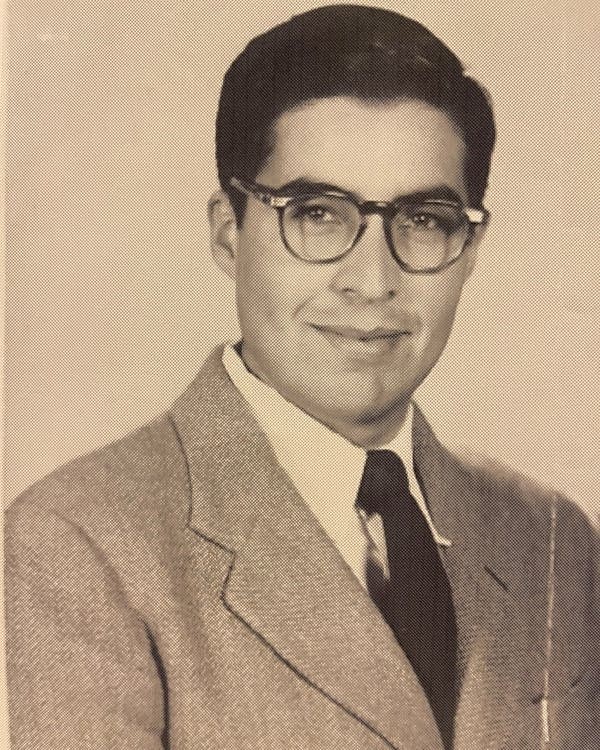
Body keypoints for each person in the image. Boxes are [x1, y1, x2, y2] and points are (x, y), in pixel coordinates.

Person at [5, 5, 598, 749]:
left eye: (423, 219)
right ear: (229, 231)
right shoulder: (84, 540)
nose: (373, 280)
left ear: (470, 247)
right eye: (318, 213)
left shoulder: (552, 538)